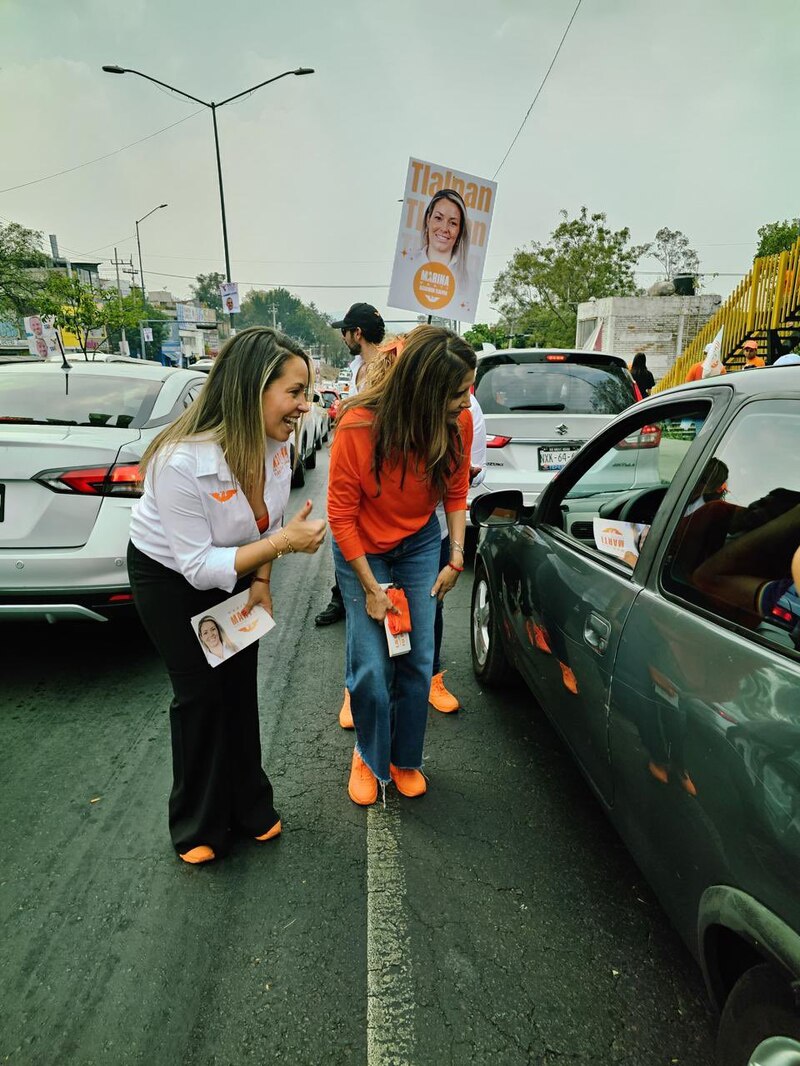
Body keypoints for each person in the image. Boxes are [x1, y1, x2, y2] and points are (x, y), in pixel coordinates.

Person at [128, 326, 327, 865]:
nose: (304, 407)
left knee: (238, 687)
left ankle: (248, 806)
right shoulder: (181, 460)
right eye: (295, 392)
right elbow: (196, 567)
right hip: (169, 578)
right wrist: (283, 545)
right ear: (251, 390)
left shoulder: (278, 447)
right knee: (201, 696)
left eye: (306, 393)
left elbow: (272, 520)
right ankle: (198, 825)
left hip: (239, 566)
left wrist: (261, 581)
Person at [328, 325, 476, 805]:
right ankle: (369, 755)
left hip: (417, 544)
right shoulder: (358, 426)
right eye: (456, 395)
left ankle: (403, 758)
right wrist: (371, 587)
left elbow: (455, 492)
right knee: (372, 665)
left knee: (416, 660)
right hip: (362, 550)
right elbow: (340, 516)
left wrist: (455, 554)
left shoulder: (458, 424)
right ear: (424, 393)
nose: (465, 403)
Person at [315, 303, 386, 628]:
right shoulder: (355, 366)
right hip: (351, 468)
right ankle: (341, 594)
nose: (343, 338)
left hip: (379, 470)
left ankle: (374, 594)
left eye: (345, 332)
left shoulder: (387, 368)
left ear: (356, 333)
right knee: (344, 528)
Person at [391, 189, 474, 318]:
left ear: (460, 230)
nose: (444, 228)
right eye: (438, 218)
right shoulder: (404, 268)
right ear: (428, 219)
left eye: (453, 223)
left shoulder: (469, 280)